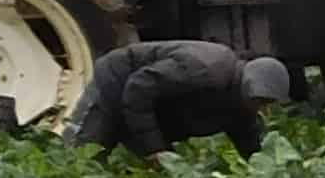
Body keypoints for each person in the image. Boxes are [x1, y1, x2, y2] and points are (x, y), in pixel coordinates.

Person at [70, 41, 290, 157]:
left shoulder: (241, 103)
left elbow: (249, 142)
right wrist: (155, 149)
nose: (263, 110)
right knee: (89, 155)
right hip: (117, 79)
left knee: (167, 173)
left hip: (152, 102)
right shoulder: (205, 70)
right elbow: (138, 87)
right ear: (248, 88)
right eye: (262, 103)